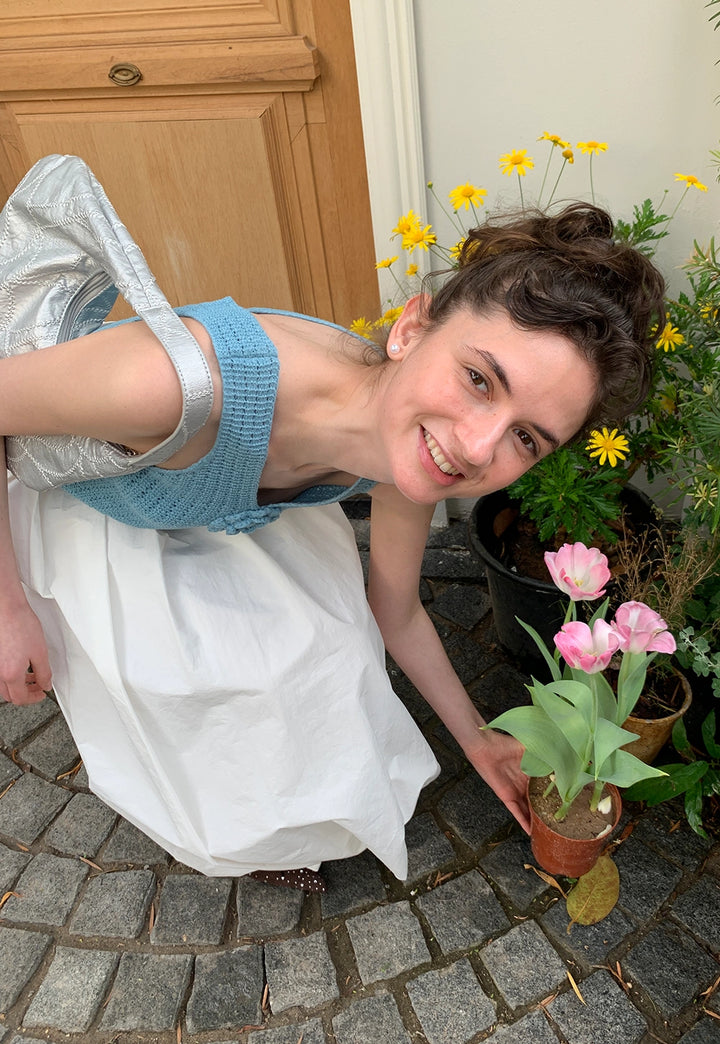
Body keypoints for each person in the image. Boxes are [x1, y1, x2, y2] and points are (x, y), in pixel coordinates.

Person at [0, 156, 665, 890]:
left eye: (526, 438)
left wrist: (480, 741)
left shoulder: (410, 443)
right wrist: (7, 611)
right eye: (479, 379)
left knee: (335, 647)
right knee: (186, 684)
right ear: (411, 328)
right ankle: (217, 825)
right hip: (102, 502)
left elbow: (396, 609)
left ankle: (285, 813)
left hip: (231, 502)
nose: (478, 448)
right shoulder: (177, 384)